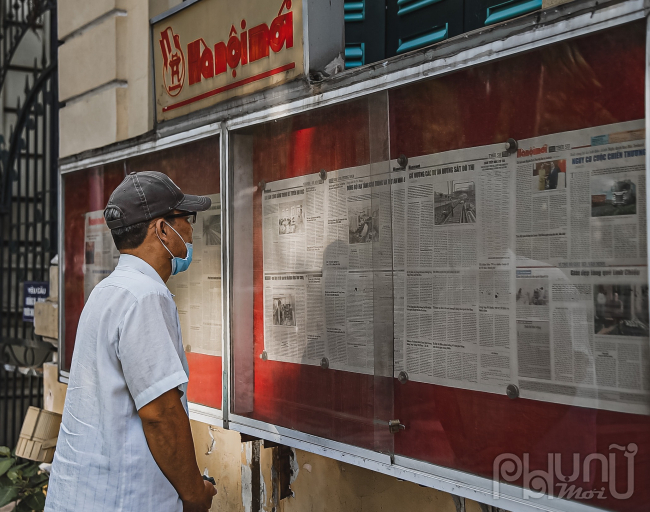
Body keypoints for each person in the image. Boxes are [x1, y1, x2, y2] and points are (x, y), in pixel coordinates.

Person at [45, 171, 218, 512]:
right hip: (122, 499)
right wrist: (193, 494)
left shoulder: (109, 290)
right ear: (162, 229)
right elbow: (160, 412)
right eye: (186, 218)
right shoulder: (145, 296)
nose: (191, 229)